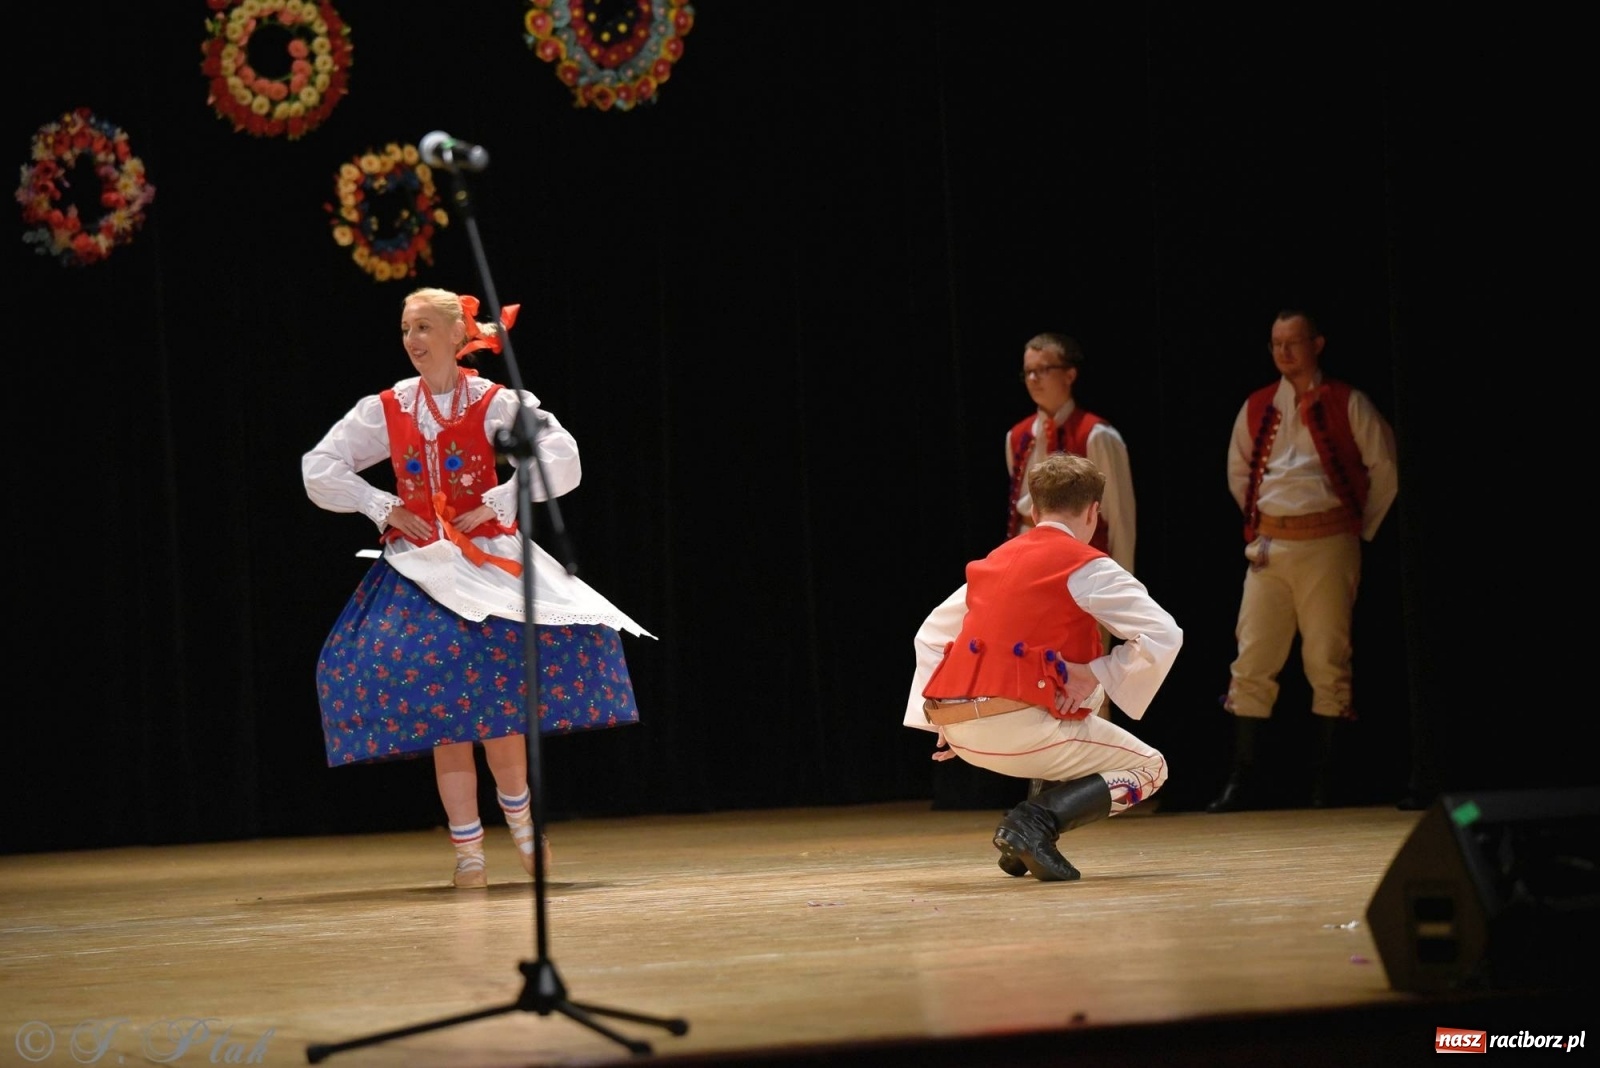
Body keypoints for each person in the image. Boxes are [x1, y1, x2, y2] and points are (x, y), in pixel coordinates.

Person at [303, 286, 653, 888]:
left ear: (456, 337)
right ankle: (468, 853)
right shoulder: (390, 407)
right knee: (446, 714)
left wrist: (504, 497)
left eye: (423, 329)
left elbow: (560, 452)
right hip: (422, 568)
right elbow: (320, 467)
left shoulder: (492, 402)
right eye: (405, 328)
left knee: (497, 708)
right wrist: (381, 505)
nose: (412, 340)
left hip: (486, 561)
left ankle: (521, 824)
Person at [905, 453, 1183, 881]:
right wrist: (1096, 670)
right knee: (1150, 768)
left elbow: (929, 634)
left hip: (959, 729)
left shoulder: (993, 561)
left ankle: (1023, 845)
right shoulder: (1086, 566)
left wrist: (938, 720)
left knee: (1077, 693)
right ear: (1094, 512)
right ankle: (1034, 825)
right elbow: (1165, 634)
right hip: (1020, 732)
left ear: (1033, 511)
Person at [1207, 308, 1398, 812]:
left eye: (1293, 342)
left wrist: (1357, 530)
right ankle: (1241, 780)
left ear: (1318, 344)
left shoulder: (1347, 401)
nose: (1284, 352)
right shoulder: (1257, 406)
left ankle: (1326, 783)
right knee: (1252, 658)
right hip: (1271, 546)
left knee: (1326, 660)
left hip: (1328, 543)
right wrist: (1262, 522)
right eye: (1276, 344)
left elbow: (1386, 467)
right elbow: (1238, 473)